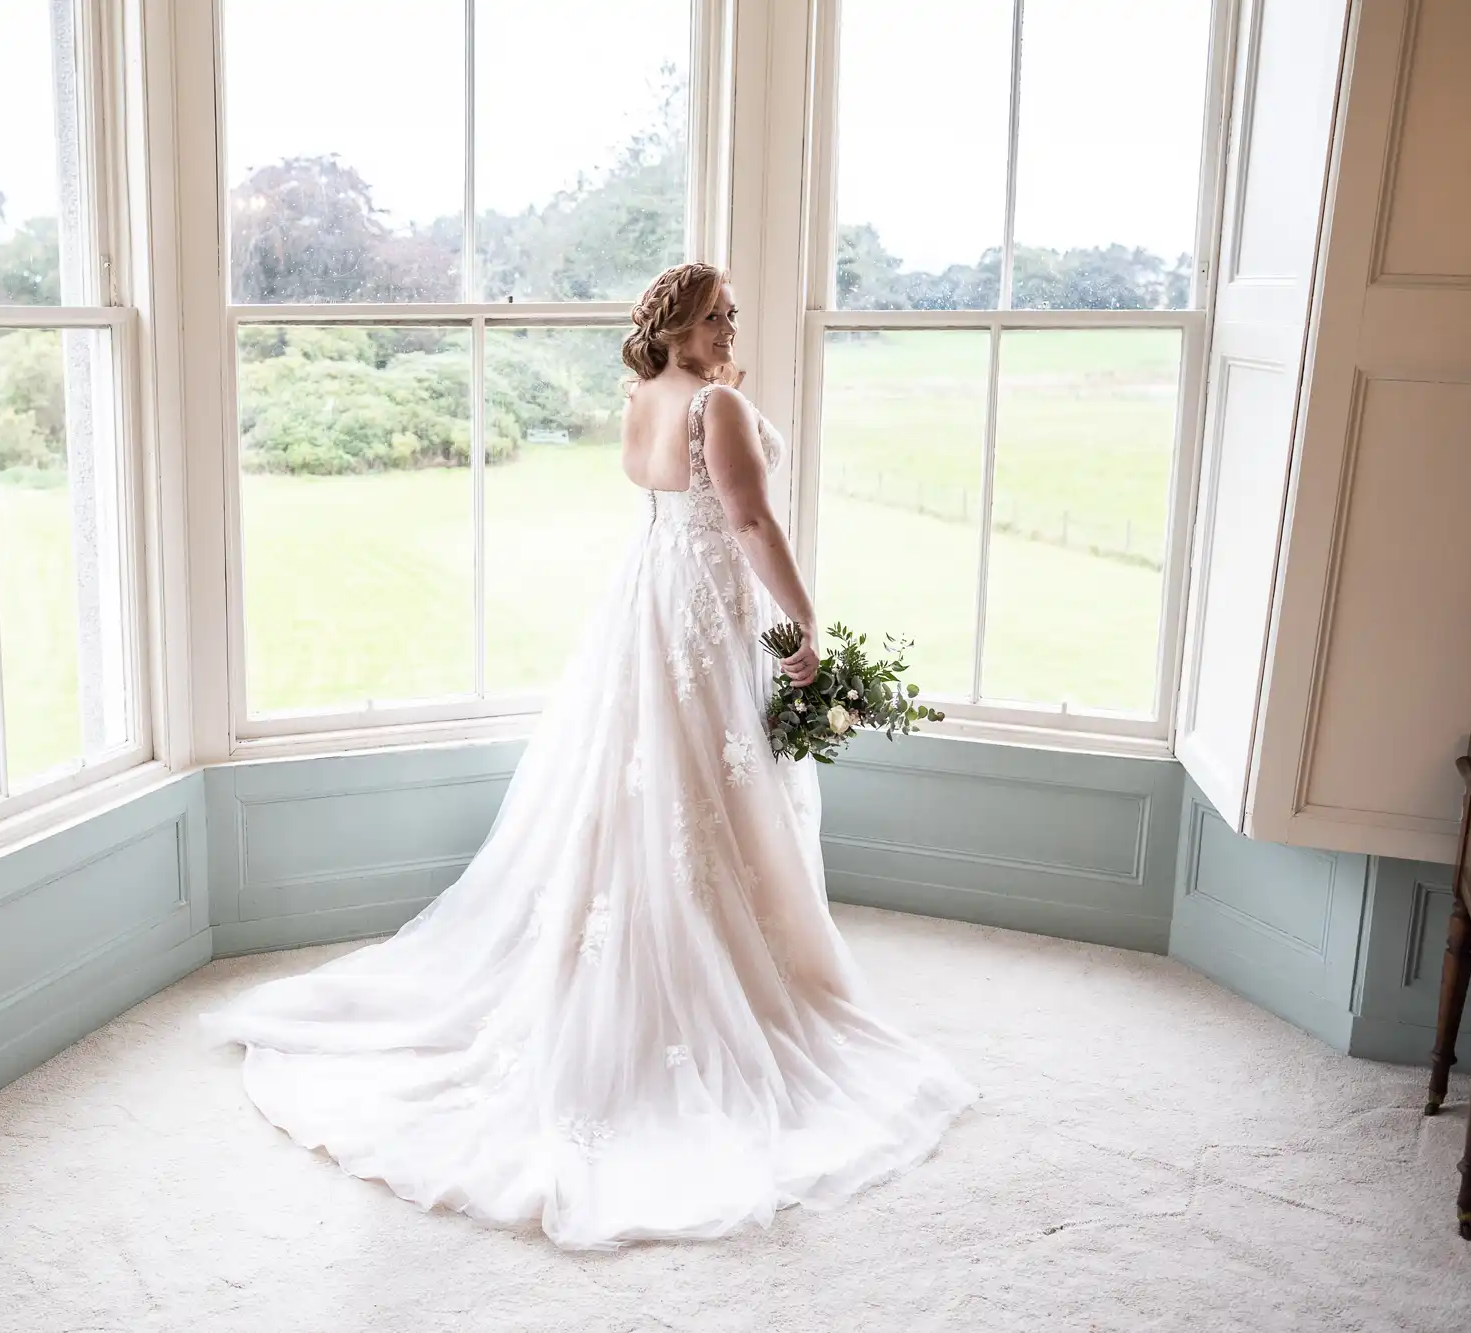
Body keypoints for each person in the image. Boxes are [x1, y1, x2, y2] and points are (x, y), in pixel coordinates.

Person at [202, 262, 975, 1250]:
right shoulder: (714, 407)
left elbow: (665, 504)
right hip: (702, 600)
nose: (731, 322)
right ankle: (710, 976)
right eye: (715, 314)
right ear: (680, 327)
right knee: (703, 782)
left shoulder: (643, 396)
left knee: (649, 784)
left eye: (732, 310)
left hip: (648, 595)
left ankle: (667, 940)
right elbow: (745, 521)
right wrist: (804, 620)